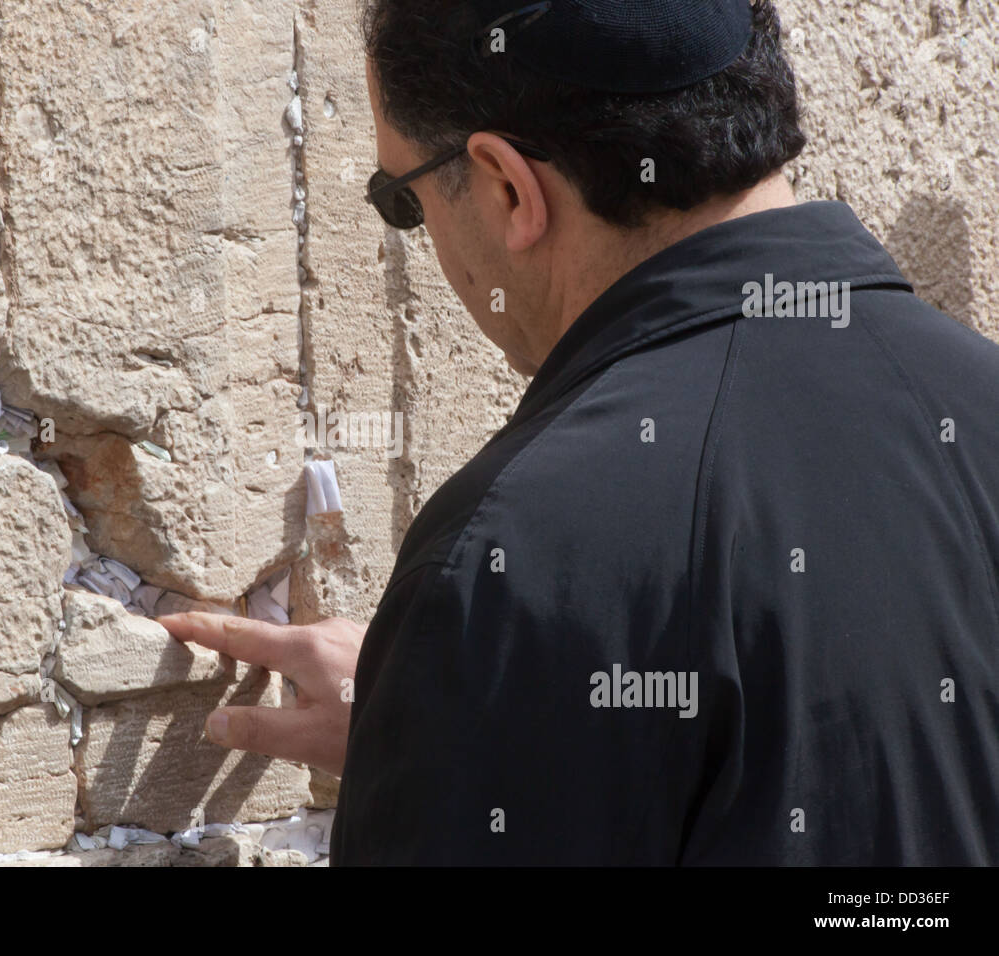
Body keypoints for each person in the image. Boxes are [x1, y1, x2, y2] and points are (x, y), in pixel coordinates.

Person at [161, 0, 999, 864]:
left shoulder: (511, 558)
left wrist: (478, 682)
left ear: (507, 187)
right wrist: (458, 717)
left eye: (400, 201)